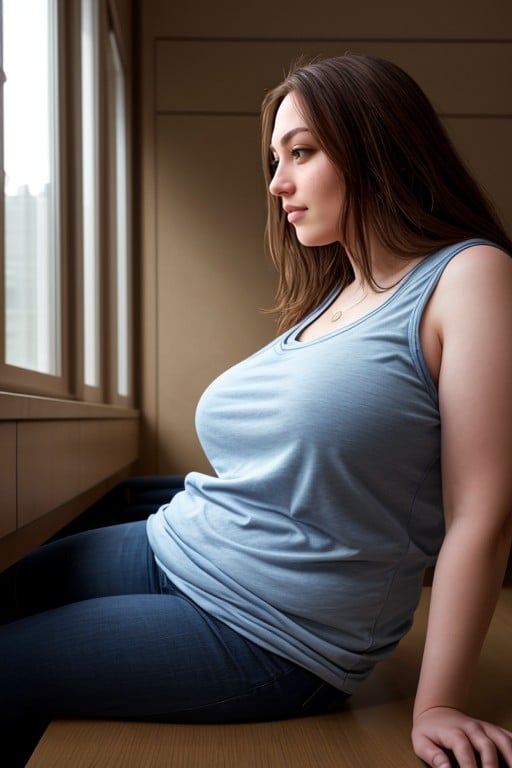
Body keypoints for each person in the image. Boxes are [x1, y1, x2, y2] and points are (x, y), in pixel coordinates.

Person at [1, 53, 511, 768]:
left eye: (300, 152)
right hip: (173, 542)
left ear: (378, 146)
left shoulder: (469, 276)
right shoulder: (337, 293)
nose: (277, 184)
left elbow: (481, 515)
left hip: (267, 630)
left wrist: (439, 704)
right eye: (276, 158)